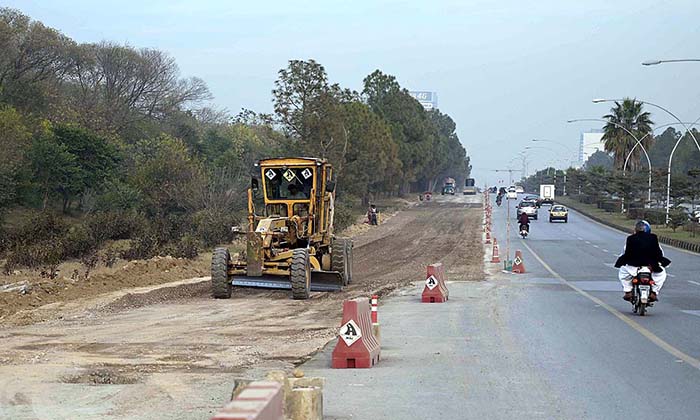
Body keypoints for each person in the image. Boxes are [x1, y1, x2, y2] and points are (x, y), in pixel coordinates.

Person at [614, 220, 671, 302]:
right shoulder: (653, 238)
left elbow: (626, 253)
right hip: (651, 266)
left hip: (633, 266)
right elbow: (659, 253)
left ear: (636, 230)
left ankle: (628, 291)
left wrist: (621, 261)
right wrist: (662, 262)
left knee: (623, 273)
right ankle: (654, 293)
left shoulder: (630, 238)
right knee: (661, 274)